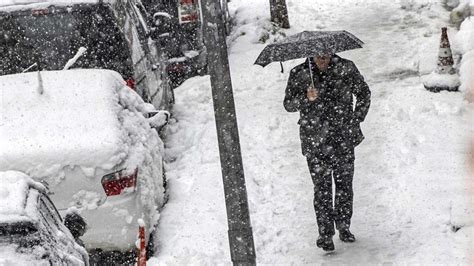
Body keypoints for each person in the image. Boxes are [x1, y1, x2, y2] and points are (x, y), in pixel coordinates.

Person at [284, 54, 371, 252]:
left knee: (344, 186)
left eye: (326, 57)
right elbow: (288, 104)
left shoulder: (346, 68)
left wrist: (356, 118)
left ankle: (344, 226)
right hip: (315, 140)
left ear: (332, 54)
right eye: (318, 57)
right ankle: (325, 234)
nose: (322, 61)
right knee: (321, 189)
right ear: (311, 56)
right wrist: (305, 97)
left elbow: (364, 93)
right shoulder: (299, 73)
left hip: (343, 137)